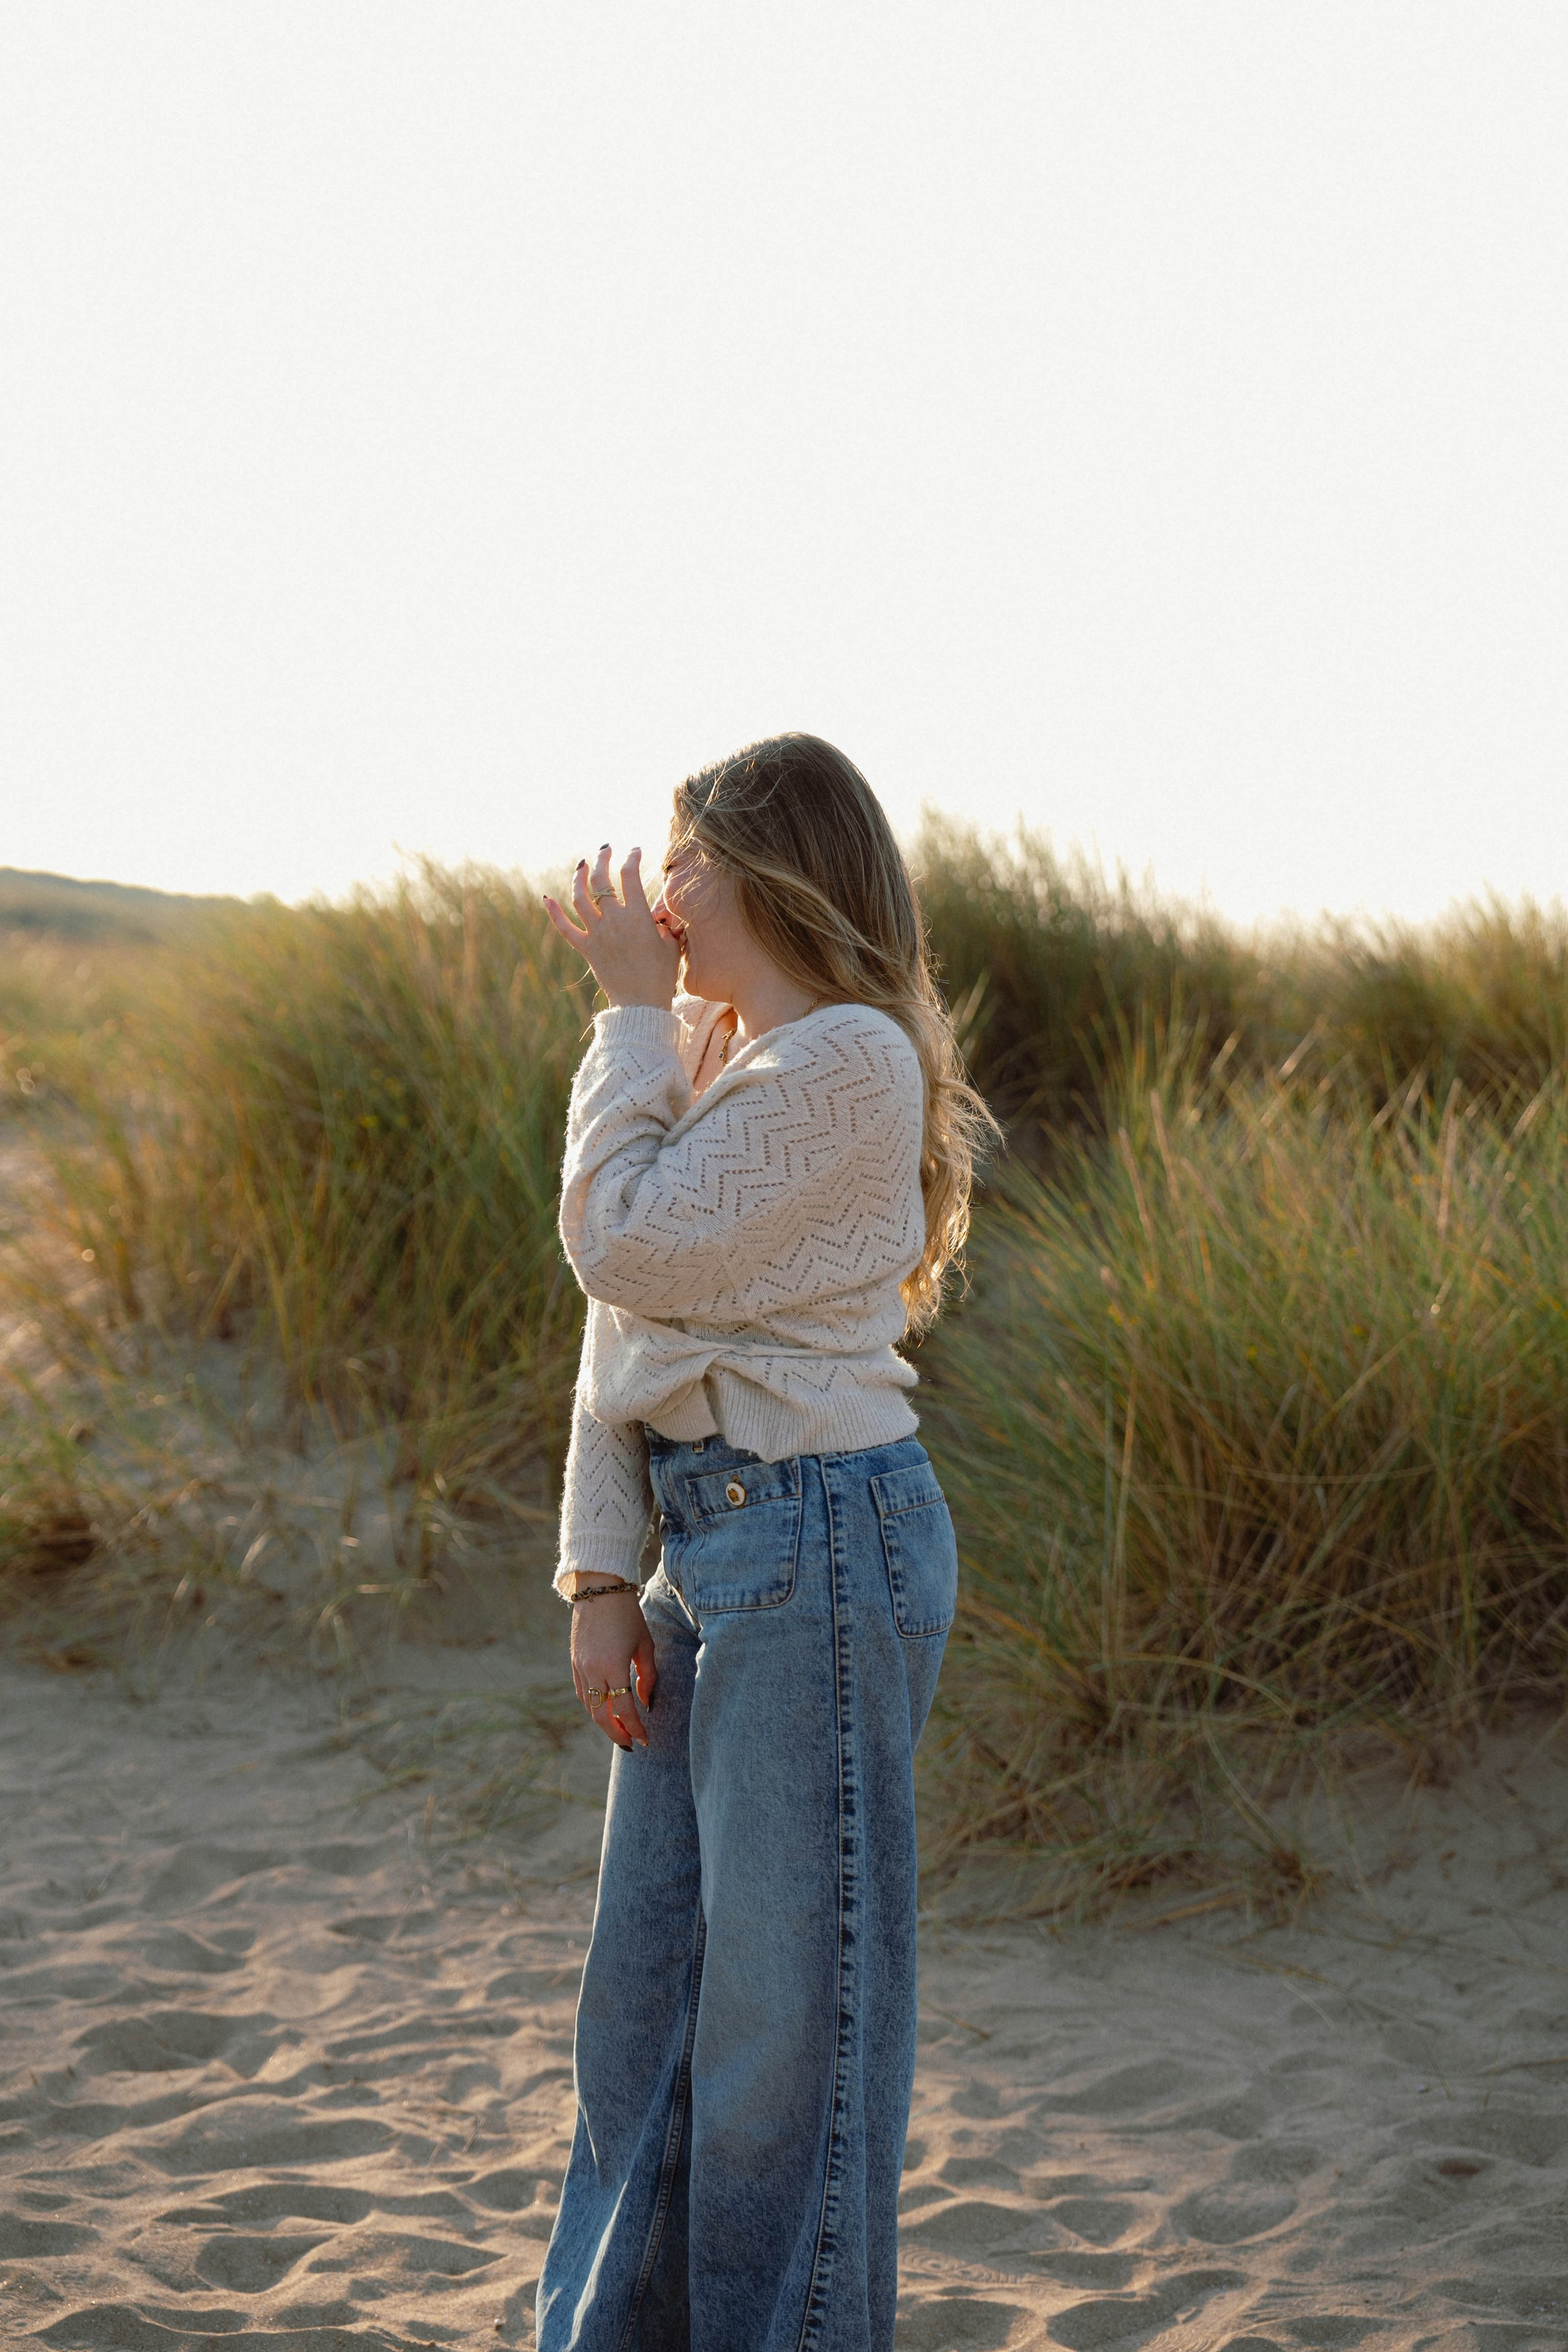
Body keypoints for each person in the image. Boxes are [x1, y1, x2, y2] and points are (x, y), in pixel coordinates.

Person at [535, 734, 997, 2351]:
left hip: (823, 1544)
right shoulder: (709, 1050)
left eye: (683, 861)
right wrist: (600, 1578)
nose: (658, 895)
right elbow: (627, 1343)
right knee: (644, 2019)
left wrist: (617, 1023)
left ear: (760, 869)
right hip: (708, 1550)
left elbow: (625, 1248)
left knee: (782, 2043)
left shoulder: (851, 1063)